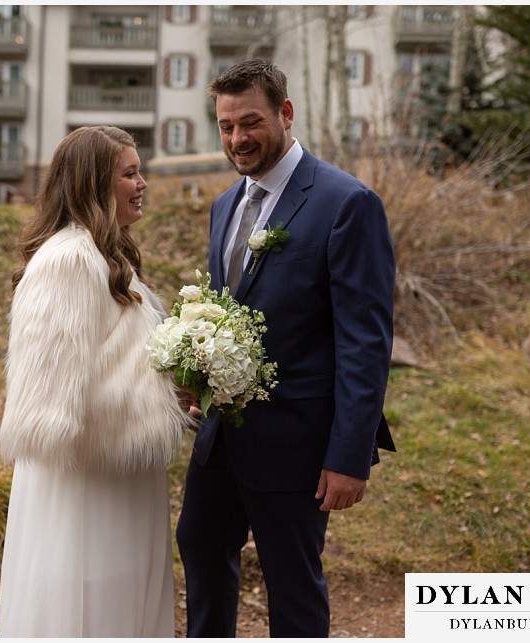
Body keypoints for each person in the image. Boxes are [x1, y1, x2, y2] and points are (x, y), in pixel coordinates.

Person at [176, 59, 396, 638]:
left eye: (250, 123)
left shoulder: (347, 202)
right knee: (197, 546)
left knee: (292, 586)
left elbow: (365, 341)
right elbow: (228, 318)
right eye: (225, 126)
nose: (237, 139)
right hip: (221, 437)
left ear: (286, 113)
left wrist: (349, 455)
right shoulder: (224, 207)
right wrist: (200, 382)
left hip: (298, 445)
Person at [0, 126, 193, 637]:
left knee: (122, 605)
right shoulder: (67, 261)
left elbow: (116, 364)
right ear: (93, 183)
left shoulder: (111, 259)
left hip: (120, 480)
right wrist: (157, 394)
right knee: (87, 610)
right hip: (85, 489)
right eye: (130, 173)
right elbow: (49, 409)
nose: (142, 183)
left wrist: (179, 387)